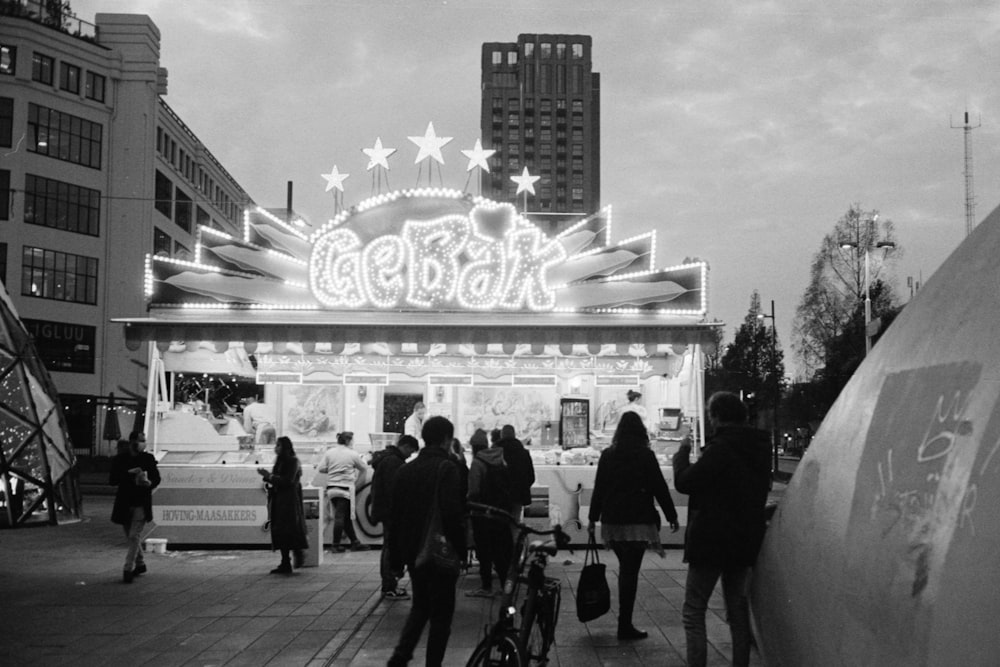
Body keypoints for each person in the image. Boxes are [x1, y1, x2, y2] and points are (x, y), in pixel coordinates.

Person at [672, 391, 772, 667]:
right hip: (745, 539)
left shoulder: (721, 448)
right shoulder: (760, 448)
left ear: (716, 417)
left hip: (712, 540)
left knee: (694, 610)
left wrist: (681, 453)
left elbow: (686, 482)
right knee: (737, 612)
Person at [588, 411, 680, 640]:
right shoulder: (645, 455)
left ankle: (625, 623)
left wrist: (592, 517)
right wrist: (671, 515)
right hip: (639, 520)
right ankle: (624, 624)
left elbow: (599, 487)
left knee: (626, 569)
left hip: (614, 520)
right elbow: (659, 486)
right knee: (630, 572)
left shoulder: (608, 455)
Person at [388, 416, 465, 667]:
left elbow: (394, 517)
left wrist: (396, 557)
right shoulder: (448, 469)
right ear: (446, 439)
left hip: (414, 550)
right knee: (442, 616)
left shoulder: (405, 469)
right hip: (440, 550)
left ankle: (400, 657)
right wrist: (462, 549)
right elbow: (453, 514)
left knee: (420, 606)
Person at [370, 434, 420, 600]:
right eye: (410, 451)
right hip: (391, 512)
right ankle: (389, 586)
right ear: (405, 446)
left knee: (389, 546)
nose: (410, 455)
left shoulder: (388, 459)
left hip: (385, 511)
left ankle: (389, 584)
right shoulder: (394, 462)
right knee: (391, 548)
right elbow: (395, 490)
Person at [465, 432, 515, 598]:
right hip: (500, 512)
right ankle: (504, 586)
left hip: (482, 512)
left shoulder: (478, 463)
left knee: (484, 551)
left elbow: (474, 490)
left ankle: (486, 587)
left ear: (473, 447)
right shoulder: (501, 459)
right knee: (500, 551)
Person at [110, 431, 160, 584]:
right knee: (132, 536)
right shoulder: (120, 460)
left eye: (144, 440)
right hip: (125, 502)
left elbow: (156, 478)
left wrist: (149, 483)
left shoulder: (148, 459)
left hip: (141, 502)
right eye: (141, 440)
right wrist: (128, 474)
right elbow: (112, 480)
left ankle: (127, 568)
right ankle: (140, 563)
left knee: (133, 535)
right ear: (132, 442)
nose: (143, 443)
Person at [257, 436, 309, 574]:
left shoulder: (292, 461)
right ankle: (285, 561)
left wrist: (270, 476)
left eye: (279, 445)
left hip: (289, 502)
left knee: (289, 529)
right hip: (279, 501)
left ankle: (296, 554)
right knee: (280, 530)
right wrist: (269, 478)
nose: (276, 448)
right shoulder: (280, 461)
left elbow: (288, 481)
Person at [318, 431, 369, 551]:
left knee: (344, 516)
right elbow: (364, 468)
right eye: (352, 440)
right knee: (340, 516)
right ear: (348, 441)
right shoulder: (352, 454)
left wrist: (333, 470)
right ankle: (335, 545)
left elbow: (321, 468)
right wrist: (356, 483)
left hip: (331, 488)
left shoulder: (330, 453)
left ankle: (355, 542)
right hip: (345, 488)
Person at [496, 424, 535, 525]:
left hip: (499, 495)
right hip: (518, 494)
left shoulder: (495, 452)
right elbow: (531, 476)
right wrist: (523, 486)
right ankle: (514, 540)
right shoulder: (524, 453)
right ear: (514, 435)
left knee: (500, 523)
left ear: (501, 435)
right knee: (515, 523)